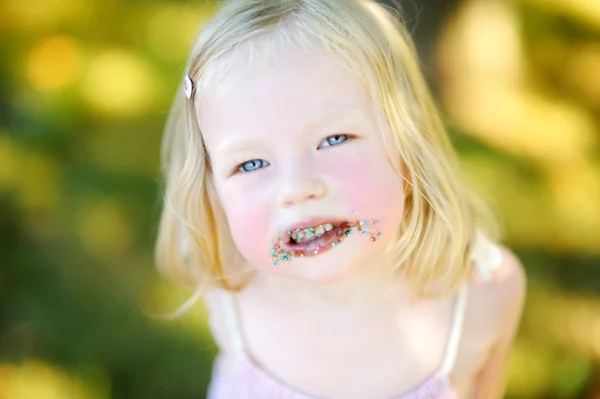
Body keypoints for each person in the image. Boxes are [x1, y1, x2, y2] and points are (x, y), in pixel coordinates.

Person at [154, 0, 526, 397]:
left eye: (333, 139)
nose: (297, 187)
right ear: (211, 187)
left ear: (406, 142)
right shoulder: (230, 291)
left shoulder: (484, 296)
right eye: (250, 164)